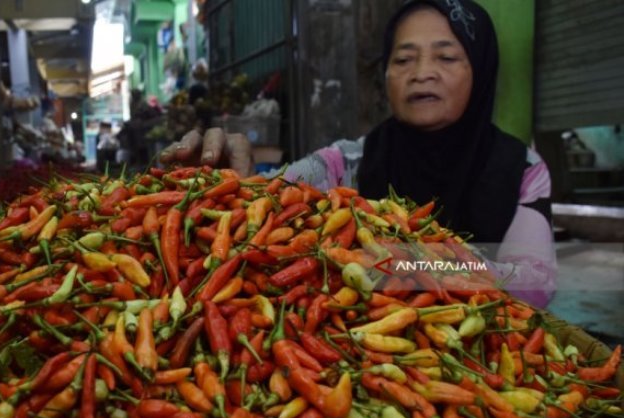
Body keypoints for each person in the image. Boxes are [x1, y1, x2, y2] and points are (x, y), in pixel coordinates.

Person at [159, 0, 556, 307]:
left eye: (446, 57)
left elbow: (534, 286)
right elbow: (271, 199)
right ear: (385, 74)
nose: (421, 72)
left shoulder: (522, 169)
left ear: (482, 70)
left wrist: (407, 261)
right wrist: (228, 190)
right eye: (403, 59)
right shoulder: (347, 163)